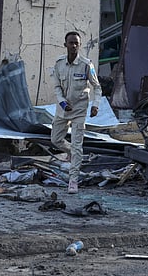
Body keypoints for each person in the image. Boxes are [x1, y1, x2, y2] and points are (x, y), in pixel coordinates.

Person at [51, 31, 102, 194]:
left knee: (78, 145)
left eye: (76, 43)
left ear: (80, 45)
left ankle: (73, 180)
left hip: (79, 110)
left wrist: (96, 105)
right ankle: (72, 153)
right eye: (70, 43)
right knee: (56, 140)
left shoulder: (87, 65)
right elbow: (57, 86)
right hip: (62, 109)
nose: (73, 46)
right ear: (65, 44)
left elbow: (97, 87)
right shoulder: (59, 64)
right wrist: (62, 102)